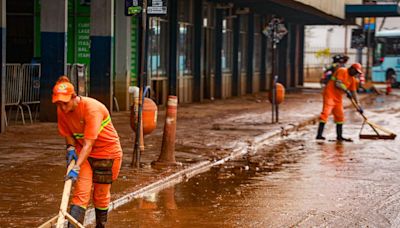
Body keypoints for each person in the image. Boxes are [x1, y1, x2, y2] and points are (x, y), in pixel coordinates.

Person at [52, 76, 123, 228]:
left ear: (74, 97)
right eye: (58, 104)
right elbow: (68, 134)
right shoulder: (61, 111)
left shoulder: (92, 109)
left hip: (106, 153)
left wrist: (76, 167)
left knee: (100, 194)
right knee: (81, 194)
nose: (62, 108)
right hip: (83, 154)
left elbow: (89, 143)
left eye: (65, 103)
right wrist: (70, 148)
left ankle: (100, 226)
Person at [316, 63, 363, 142]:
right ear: (351, 68)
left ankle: (339, 136)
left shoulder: (352, 79)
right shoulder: (342, 70)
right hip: (329, 94)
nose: (356, 73)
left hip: (338, 97)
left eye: (357, 72)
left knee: (340, 116)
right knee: (326, 113)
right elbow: (338, 83)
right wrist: (346, 91)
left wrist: (358, 105)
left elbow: (354, 92)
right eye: (355, 71)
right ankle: (319, 135)